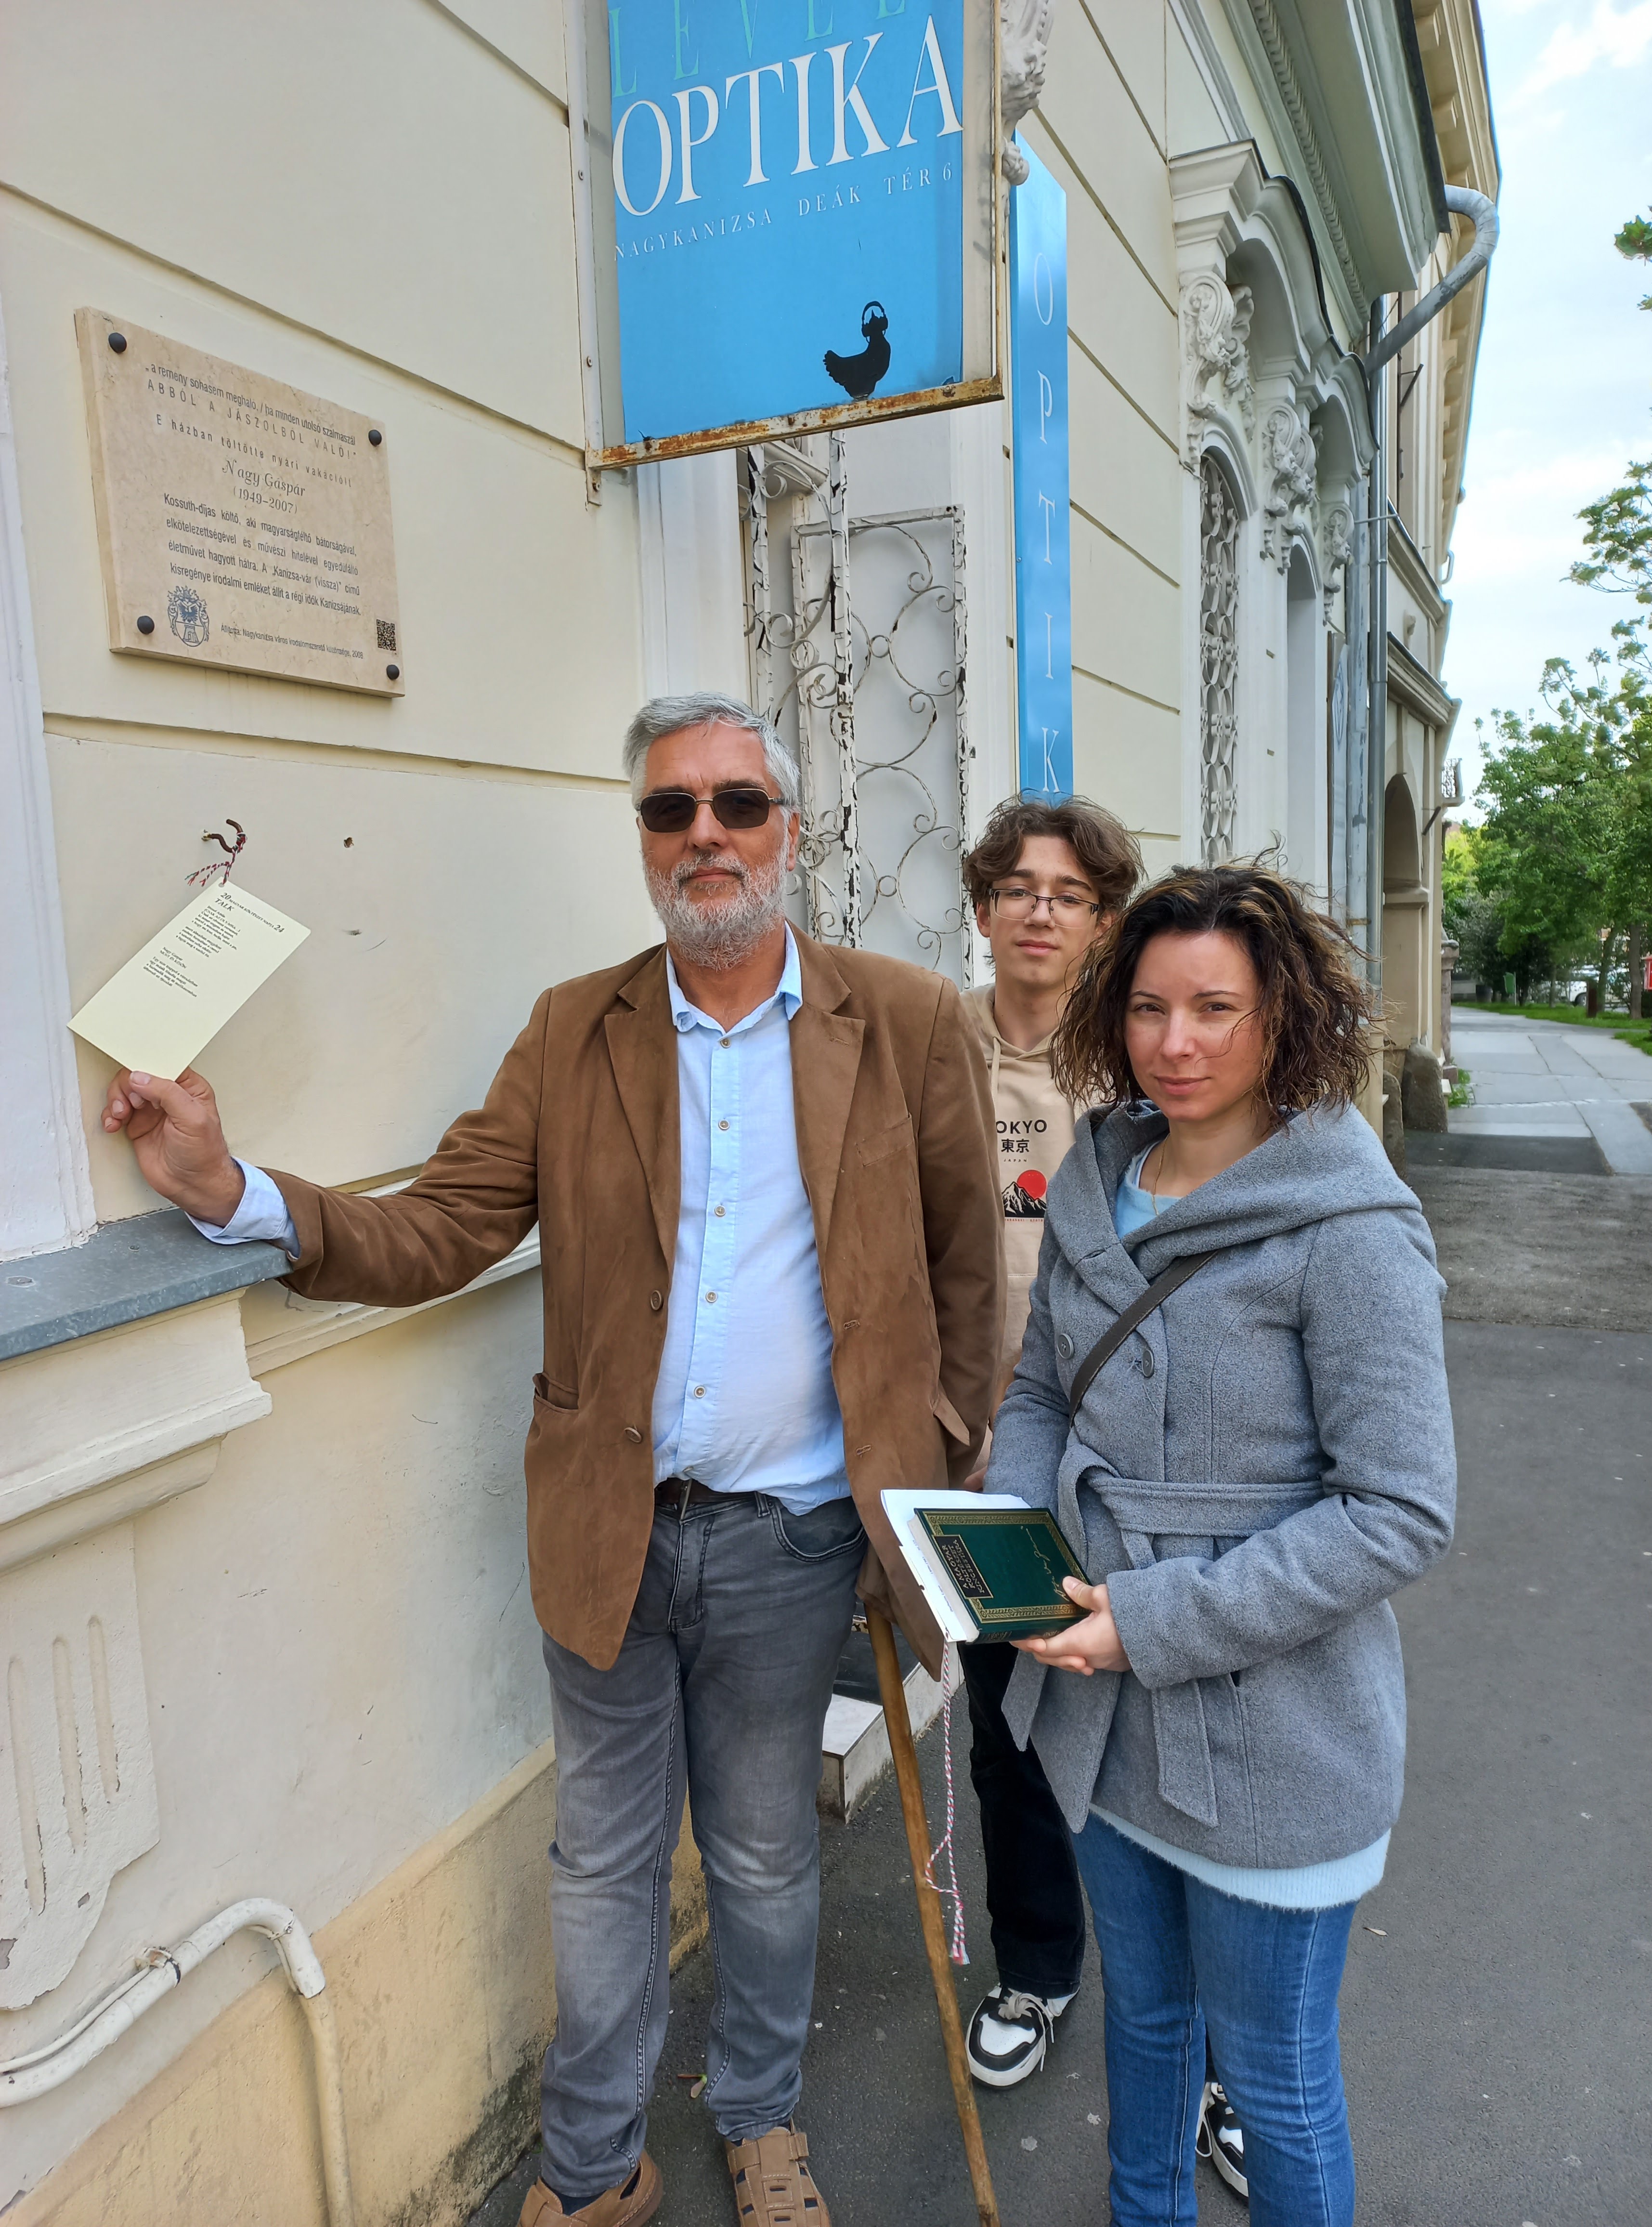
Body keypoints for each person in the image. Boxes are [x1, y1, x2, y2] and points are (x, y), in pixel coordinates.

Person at [101, 692, 1002, 2227]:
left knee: (765, 1859)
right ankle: (591, 2170)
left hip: (794, 1539)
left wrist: (927, 1500)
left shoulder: (906, 1020)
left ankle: (762, 2123)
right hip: (608, 1531)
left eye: (735, 804)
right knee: (601, 1865)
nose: (704, 834)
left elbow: (966, 1281)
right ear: (643, 841)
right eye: (669, 809)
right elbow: (443, 1224)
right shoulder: (577, 1027)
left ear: (788, 830)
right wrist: (229, 1187)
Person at [990, 864, 1455, 2226]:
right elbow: (1039, 1389)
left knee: (1272, 2075)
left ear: (1282, 1018)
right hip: (1101, 1720)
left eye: (1214, 1009)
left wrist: (1148, 1622)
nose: (1175, 1043)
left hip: (1275, 1737)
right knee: (1144, 2031)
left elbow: (1399, 1510)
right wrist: (1011, 1550)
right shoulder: (1096, 1178)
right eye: (1147, 1007)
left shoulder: (1350, 1228)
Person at [955, 796, 1141, 2089]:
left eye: (1069, 894)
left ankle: (1208, 2036)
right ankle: (1035, 1966)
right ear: (982, 908)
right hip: (980, 1464)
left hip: (1127, 1463)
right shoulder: (929, 1049)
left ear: (1103, 921)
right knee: (1009, 1728)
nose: (1040, 911)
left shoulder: (1138, 1063)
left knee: (1158, 1744)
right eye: (1018, 888)